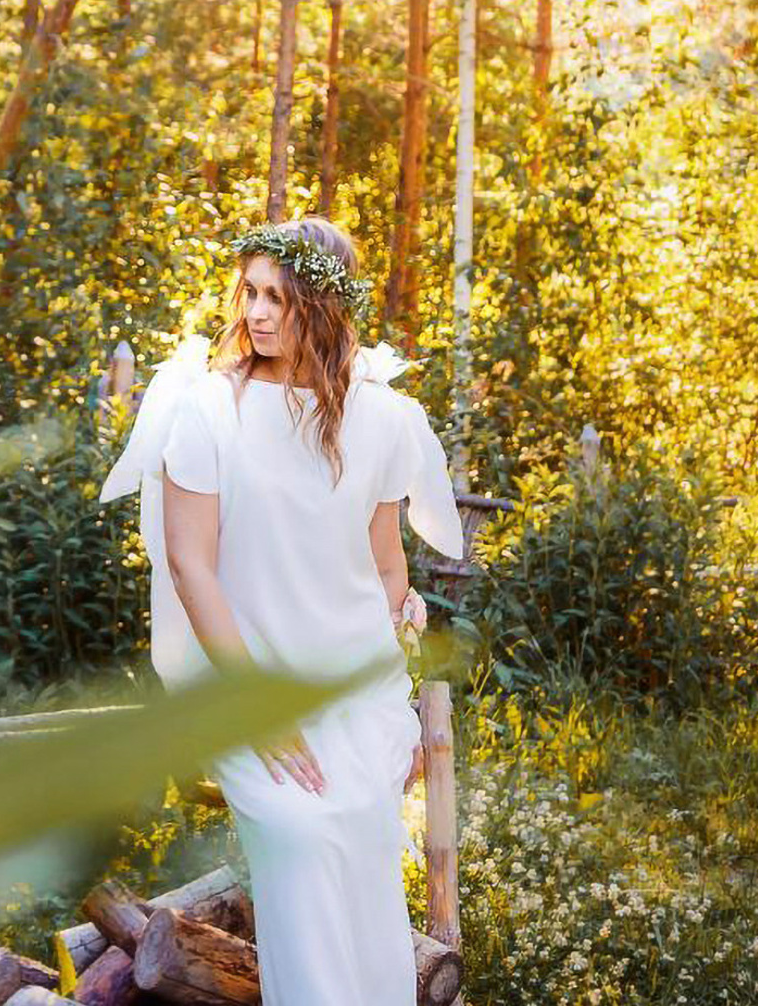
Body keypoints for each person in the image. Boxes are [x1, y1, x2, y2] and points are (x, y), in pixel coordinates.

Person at [97, 215, 463, 1006]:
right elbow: (192, 564)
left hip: (351, 683)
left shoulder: (381, 416)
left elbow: (385, 557)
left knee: (366, 864)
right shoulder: (206, 411)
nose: (258, 312)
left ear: (323, 306)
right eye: (252, 293)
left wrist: (404, 618)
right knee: (298, 846)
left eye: (280, 297)